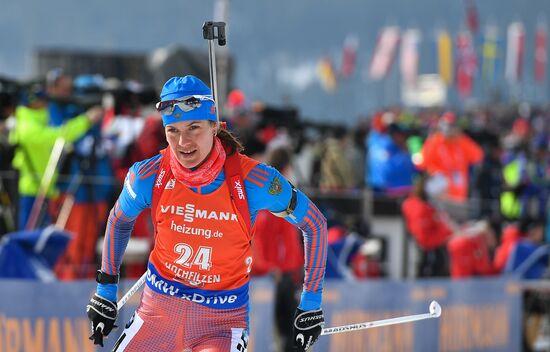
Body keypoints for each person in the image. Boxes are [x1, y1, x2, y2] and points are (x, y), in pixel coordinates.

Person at [86, 75, 328, 352]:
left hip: (221, 322)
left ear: (214, 126)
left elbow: (315, 224)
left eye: (194, 128)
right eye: (172, 130)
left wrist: (310, 303)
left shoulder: (254, 180)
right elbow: (119, 221)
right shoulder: (147, 176)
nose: (183, 142)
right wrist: (105, 291)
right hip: (157, 315)